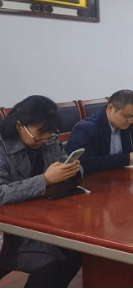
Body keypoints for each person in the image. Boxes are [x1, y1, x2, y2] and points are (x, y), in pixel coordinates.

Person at [0, 96, 82, 287]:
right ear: (19, 125)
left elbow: (63, 160)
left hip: (38, 219)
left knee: (77, 251)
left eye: (50, 134)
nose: (45, 139)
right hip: (9, 232)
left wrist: (72, 171)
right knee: (50, 262)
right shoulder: (3, 147)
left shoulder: (48, 140)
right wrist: (45, 180)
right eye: (40, 134)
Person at [66, 90, 133, 174]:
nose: (131, 121)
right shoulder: (85, 129)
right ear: (110, 108)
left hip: (121, 178)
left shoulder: (126, 124)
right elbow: (83, 163)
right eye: (127, 116)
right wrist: (126, 159)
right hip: (95, 186)